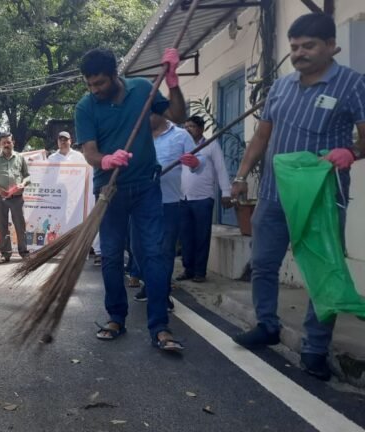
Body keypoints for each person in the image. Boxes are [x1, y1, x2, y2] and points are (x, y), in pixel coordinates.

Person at [230, 13, 365, 381]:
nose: (299, 53)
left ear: (331, 46)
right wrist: (241, 176)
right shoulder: (281, 87)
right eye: (294, 47)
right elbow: (261, 137)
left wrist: (351, 152)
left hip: (321, 199)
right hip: (274, 194)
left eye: (309, 46)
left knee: (322, 274)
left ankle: (315, 349)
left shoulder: (352, 84)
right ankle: (267, 325)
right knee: (263, 264)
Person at [75, 46, 190, 351]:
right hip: (109, 191)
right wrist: (107, 160)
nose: (95, 90)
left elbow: (179, 115)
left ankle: (159, 327)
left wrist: (174, 80)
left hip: (145, 187)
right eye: (90, 84)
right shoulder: (85, 107)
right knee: (112, 256)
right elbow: (89, 152)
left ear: (115, 75)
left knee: (152, 254)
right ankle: (116, 318)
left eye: (99, 83)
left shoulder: (141, 89)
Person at [132, 114, 198, 312]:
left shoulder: (181, 135)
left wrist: (193, 162)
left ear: (161, 111)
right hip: (139, 202)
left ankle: (162, 292)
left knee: (164, 250)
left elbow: (197, 163)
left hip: (168, 202)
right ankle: (150, 283)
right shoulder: (137, 134)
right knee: (139, 249)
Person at [177, 115, 233, 283]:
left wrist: (226, 193)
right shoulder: (181, 147)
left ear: (201, 129)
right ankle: (188, 269)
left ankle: (200, 272)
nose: (188, 129)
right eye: (186, 126)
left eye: (192, 126)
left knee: (201, 236)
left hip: (203, 198)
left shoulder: (211, 145)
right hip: (183, 198)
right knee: (186, 237)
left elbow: (221, 169)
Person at [48, 131, 102, 266]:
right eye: (60, 139)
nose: (63, 142)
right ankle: (63, 250)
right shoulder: (52, 158)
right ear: (57, 142)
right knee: (62, 223)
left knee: (89, 219)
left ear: (70, 141)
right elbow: (46, 176)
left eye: (65, 139)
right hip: (60, 198)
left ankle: (98, 252)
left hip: (80, 196)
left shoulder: (79, 157)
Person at [0, 132, 30, 264]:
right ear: (0, 144)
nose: (6, 144)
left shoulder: (20, 158)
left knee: (20, 226)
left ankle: (24, 253)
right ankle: (5, 254)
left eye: (9, 142)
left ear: (13, 143)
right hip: (0, 199)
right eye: (4, 142)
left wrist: (23, 183)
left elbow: (27, 176)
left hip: (17, 198)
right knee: (2, 227)